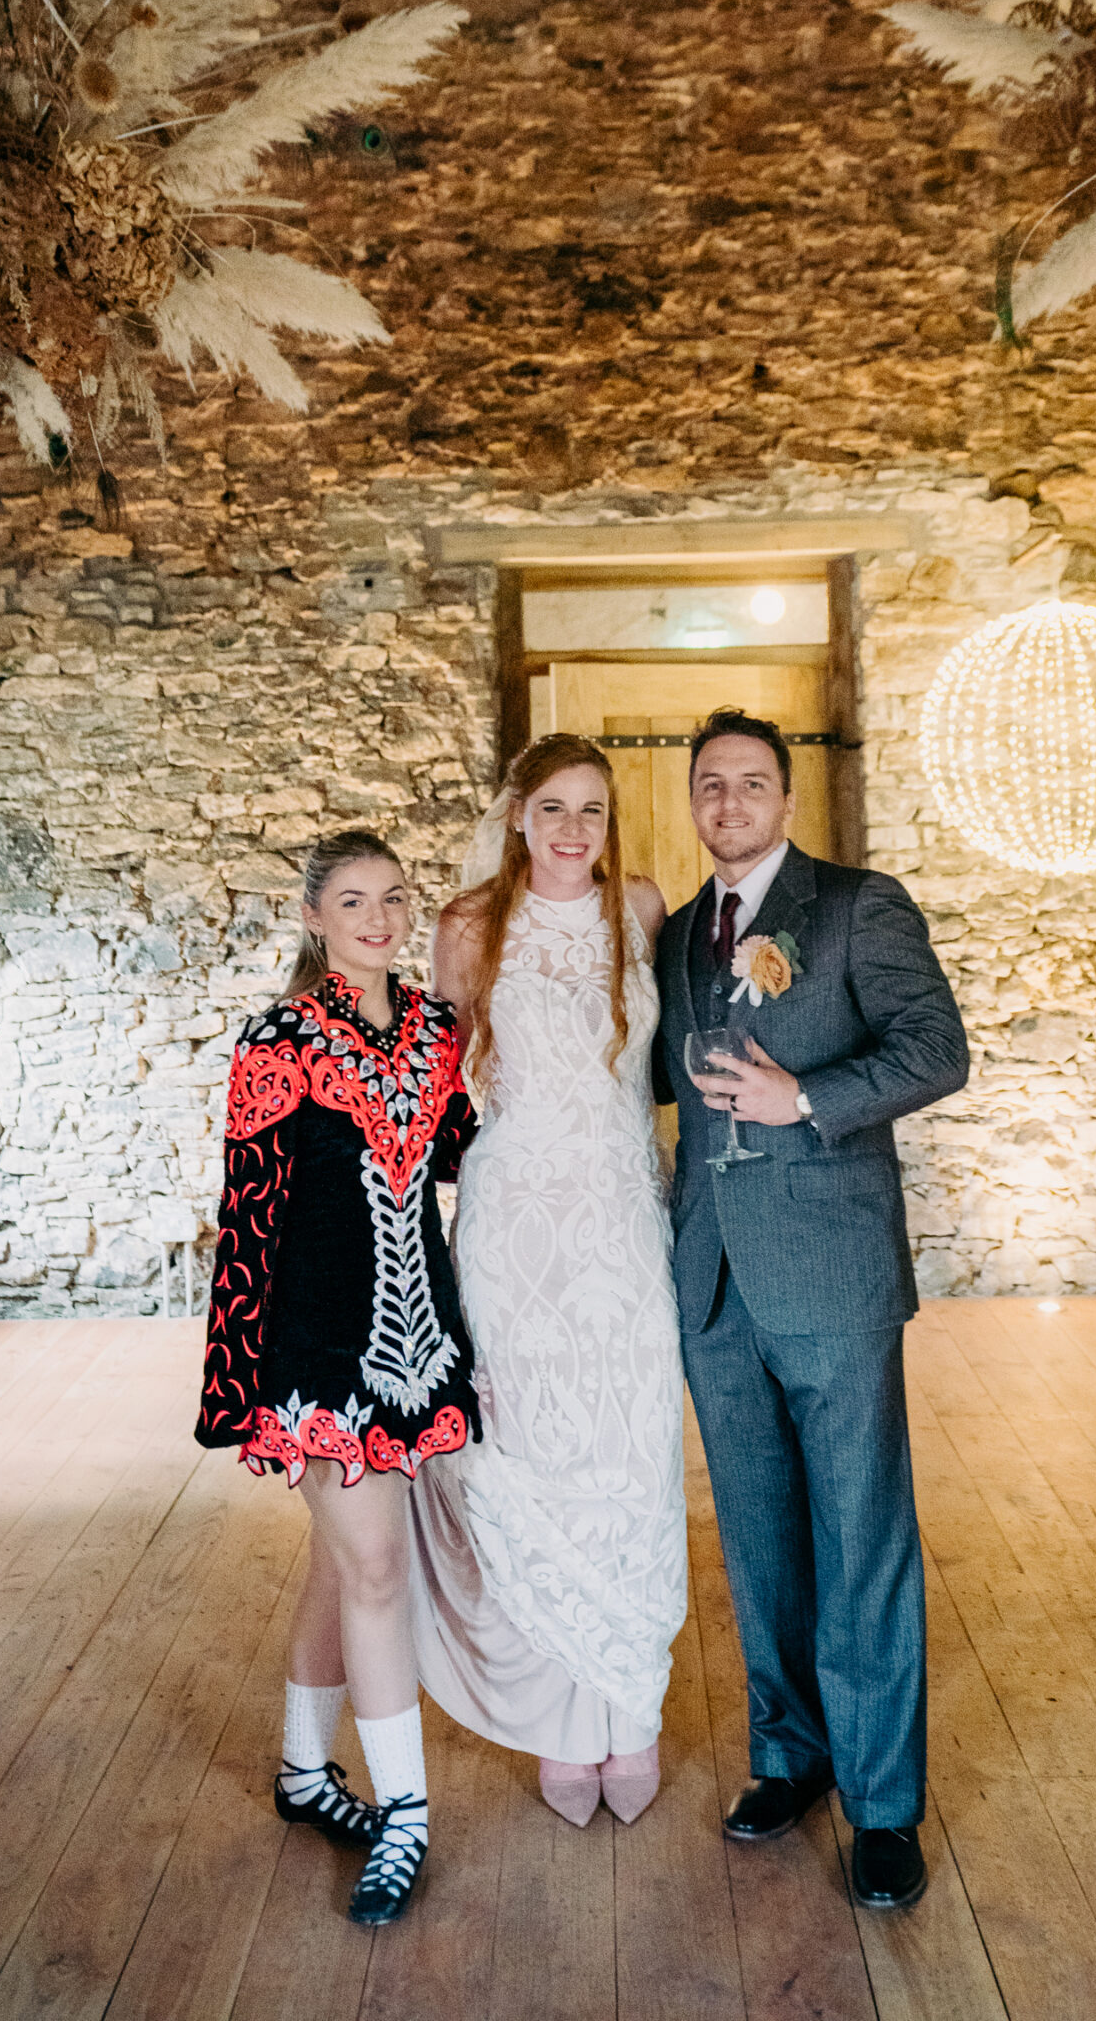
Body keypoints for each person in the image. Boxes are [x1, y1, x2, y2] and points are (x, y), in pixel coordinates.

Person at [655, 708, 969, 1912]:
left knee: (863, 1537)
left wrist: (809, 1098)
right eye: (710, 785)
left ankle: (884, 1807)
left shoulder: (856, 905)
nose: (729, 802)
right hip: (714, 1278)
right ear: (693, 803)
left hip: (831, 1273)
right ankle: (789, 1755)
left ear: (787, 799)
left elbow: (937, 1049)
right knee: (759, 1535)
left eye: (751, 783)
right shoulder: (684, 935)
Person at [195, 829, 478, 1928]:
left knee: (342, 1561)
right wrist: (239, 1387)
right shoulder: (275, 1040)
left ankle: (307, 1776)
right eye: (353, 900)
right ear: (314, 916)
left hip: (416, 1345)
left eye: (392, 899)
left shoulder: (435, 1031)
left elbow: (461, 1159)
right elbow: (248, 1219)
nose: (377, 917)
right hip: (312, 1354)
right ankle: (405, 1809)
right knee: (375, 1565)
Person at [408, 733, 688, 1828]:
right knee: (539, 1457)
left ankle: (634, 1712)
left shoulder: (646, 909)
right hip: (517, 1229)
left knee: (631, 1454)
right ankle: (568, 1731)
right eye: (555, 808)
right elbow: (438, 1090)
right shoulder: (468, 926)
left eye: (594, 811)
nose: (575, 830)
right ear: (517, 814)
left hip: (623, 1225)